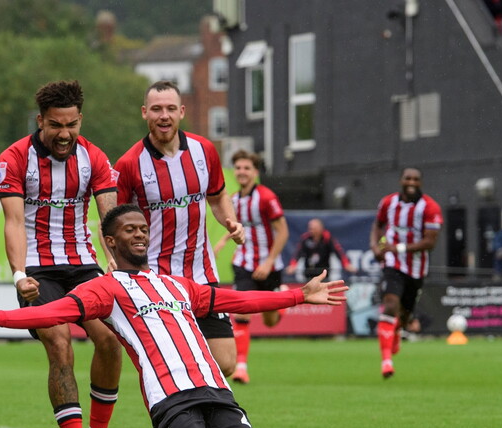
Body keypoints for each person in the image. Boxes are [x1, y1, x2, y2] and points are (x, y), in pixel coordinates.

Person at [0, 204, 348, 428]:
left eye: (143, 228)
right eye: (128, 230)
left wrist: (298, 295)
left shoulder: (178, 285)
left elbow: (238, 301)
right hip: (171, 399)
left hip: (217, 391)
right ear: (110, 241)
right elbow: (57, 312)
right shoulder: (106, 288)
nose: (139, 234)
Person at [0, 80, 123, 428]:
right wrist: (19, 276)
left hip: (84, 267)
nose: (64, 134)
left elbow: (108, 221)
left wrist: (115, 265)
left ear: (80, 119)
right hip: (37, 270)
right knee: (60, 342)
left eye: (71, 124)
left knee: (109, 340)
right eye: (55, 125)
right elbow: (13, 222)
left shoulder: (94, 158)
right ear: (40, 121)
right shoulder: (15, 158)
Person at [114, 80, 245, 377]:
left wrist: (230, 221)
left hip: (202, 274)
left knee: (225, 362)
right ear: (144, 113)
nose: (164, 116)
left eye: (171, 109)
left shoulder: (204, 150)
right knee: (176, 363)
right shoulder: (129, 163)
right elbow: (114, 220)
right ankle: (186, 418)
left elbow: (218, 195)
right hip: (157, 279)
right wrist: (117, 262)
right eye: (157, 109)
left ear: (182, 112)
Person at [213, 150, 288, 384]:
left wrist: (268, 262)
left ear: (255, 172)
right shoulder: (233, 199)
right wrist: (222, 242)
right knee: (241, 312)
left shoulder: (266, 197)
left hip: (269, 264)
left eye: (246, 168)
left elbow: (283, 232)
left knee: (269, 321)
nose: (241, 172)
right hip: (243, 262)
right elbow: (236, 227)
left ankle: (280, 306)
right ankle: (241, 368)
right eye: (238, 168)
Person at [369, 167, 442, 379]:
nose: (411, 182)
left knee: (404, 314)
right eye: (408, 178)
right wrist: (376, 246)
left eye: (416, 179)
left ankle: (398, 331)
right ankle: (386, 362)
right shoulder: (388, 203)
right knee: (390, 304)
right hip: (392, 264)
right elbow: (378, 225)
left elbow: (430, 242)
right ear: (401, 180)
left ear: (421, 182)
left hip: (416, 268)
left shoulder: (430, 207)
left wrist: (398, 248)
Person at [286, 218, 357, 280]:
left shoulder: (328, 238)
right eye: (310, 228)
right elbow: (298, 253)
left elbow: (338, 252)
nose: (311, 230)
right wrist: (293, 265)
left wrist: (346, 264)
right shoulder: (305, 238)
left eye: (313, 228)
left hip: (324, 274)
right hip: (308, 273)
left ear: (320, 228)